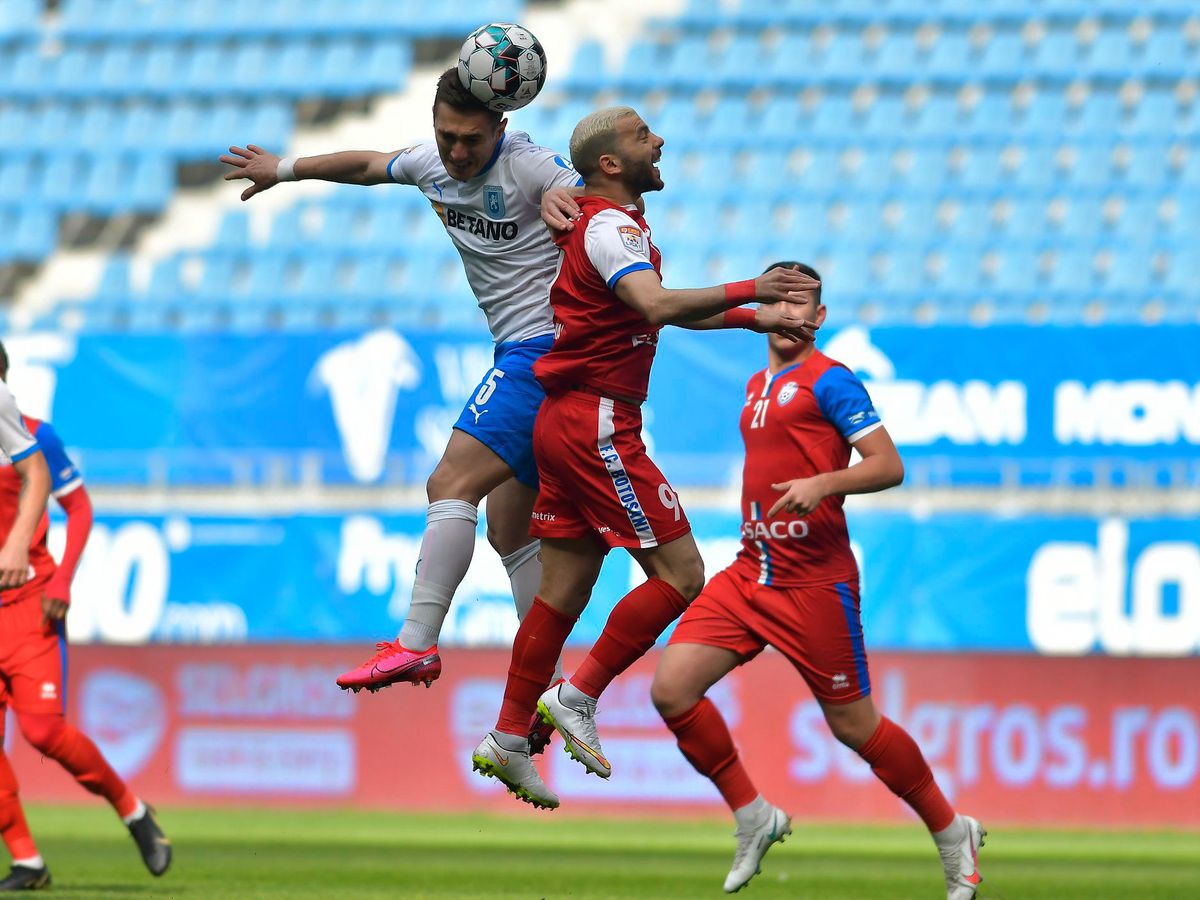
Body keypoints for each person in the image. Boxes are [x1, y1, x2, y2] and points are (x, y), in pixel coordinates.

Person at [469, 106, 821, 810]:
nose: (658, 140)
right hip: (598, 424)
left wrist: (760, 317)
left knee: (562, 590)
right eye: (641, 136)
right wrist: (759, 286)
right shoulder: (608, 228)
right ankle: (577, 695)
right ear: (610, 164)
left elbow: (653, 307)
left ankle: (509, 736)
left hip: (564, 422)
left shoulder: (607, 225)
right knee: (683, 573)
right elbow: (655, 304)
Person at [220, 69, 586, 718]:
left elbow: (579, 190)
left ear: (499, 127)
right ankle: (549, 691)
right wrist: (286, 169)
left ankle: (416, 642)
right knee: (509, 529)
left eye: (471, 140)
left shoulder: (530, 165)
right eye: (447, 137)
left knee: (449, 484)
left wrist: (572, 205)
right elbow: (366, 164)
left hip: (545, 349)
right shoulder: (430, 163)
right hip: (521, 350)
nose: (457, 153)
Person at [647, 264, 985, 897]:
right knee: (672, 690)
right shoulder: (755, 383)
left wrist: (824, 483)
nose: (790, 311)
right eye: (780, 300)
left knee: (854, 727)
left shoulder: (833, 381)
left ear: (819, 318)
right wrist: (746, 302)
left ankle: (950, 831)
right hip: (751, 571)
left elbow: (889, 465)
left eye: (803, 304)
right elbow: (675, 313)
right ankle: (754, 815)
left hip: (813, 582)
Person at [0, 343, 170, 891]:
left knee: (44, 731)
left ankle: (133, 811)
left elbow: (79, 506)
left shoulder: (33, 436)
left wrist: (62, 578)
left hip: (27, 604)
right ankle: (27, 860)